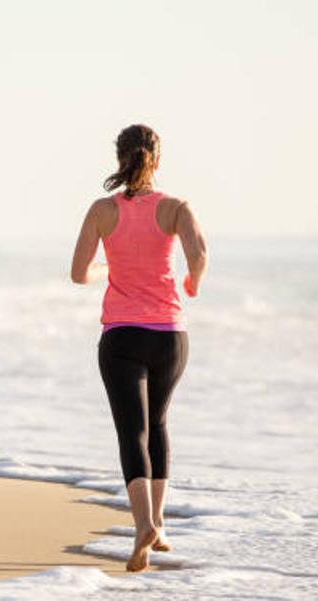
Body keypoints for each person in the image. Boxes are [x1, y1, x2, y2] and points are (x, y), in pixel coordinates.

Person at [70, 124, 208, 572]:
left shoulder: (101, 211)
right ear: (157, 160)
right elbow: (199, 251)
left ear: (119, 158)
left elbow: (78, 273)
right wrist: (191, 282)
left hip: (121, 336)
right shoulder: (174, 207)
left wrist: (108, 267)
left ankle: (143, 525)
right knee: (159, 423)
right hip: (170, 334)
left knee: (132, 432)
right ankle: (159, 524)